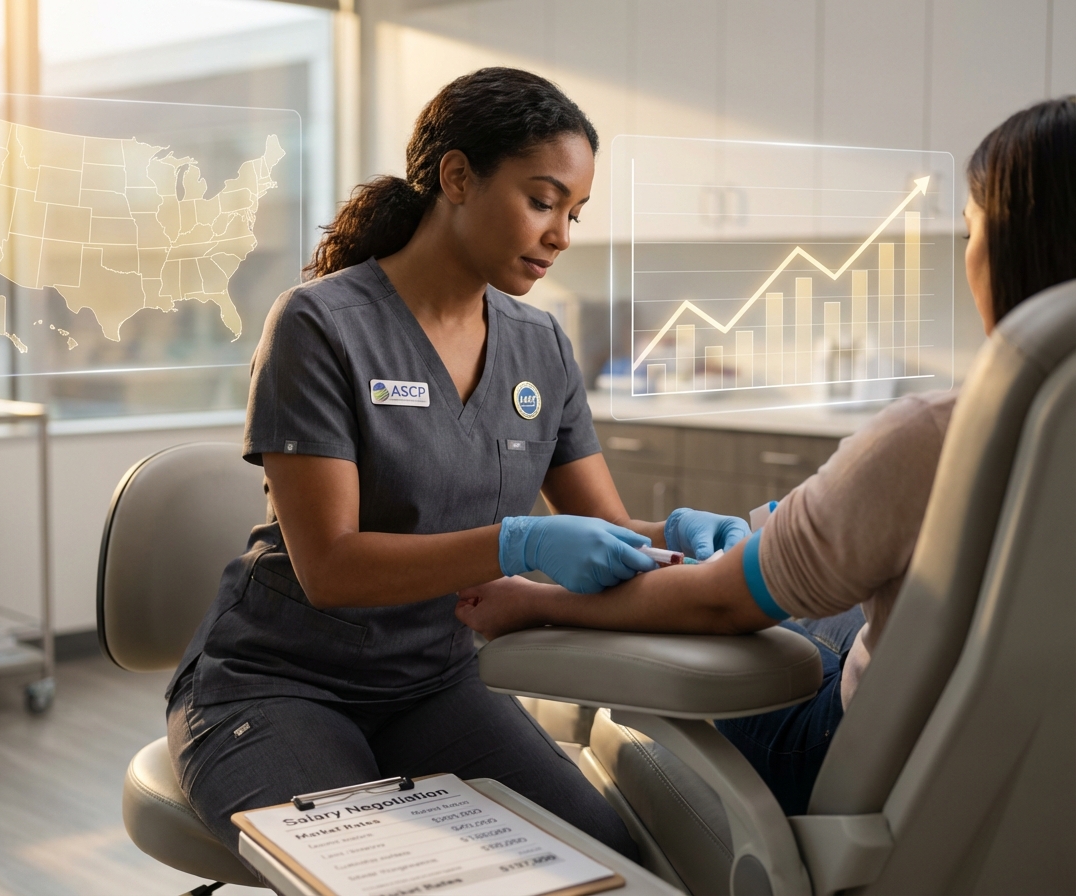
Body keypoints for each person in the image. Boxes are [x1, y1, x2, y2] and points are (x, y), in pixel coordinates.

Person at [456, 96, 1076, 817]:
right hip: (1027, 782)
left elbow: (722, 602)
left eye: (972, 229)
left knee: (654, 703)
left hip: (855, 764)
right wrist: (776, 531)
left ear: (1011, 247)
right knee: (818, 619)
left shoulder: (940, 437)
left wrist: (540, 606)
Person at [166, 68, 675, 862]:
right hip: (281, 685)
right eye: (542, 202)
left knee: (612, 860)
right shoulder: (323, 325)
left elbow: (609, 532)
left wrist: (688, 539)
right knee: (385, 874)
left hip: (434, 683)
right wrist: (520, 543)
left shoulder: (539, 346)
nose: (562, 235)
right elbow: (330, 568)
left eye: (574, 213)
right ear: (458, 178)